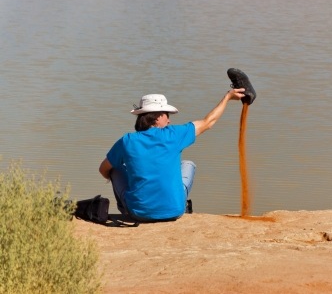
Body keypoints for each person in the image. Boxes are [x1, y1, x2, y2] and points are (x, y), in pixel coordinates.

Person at [99, 89, 245, 222]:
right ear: (157, 118)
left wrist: (130, 177)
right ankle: (173, 201)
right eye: (166, 116)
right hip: (175, 211)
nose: (169, 120)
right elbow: (208, 122)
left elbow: (103, 169)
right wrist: (227, 97)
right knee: (188, 165)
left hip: (138, 213)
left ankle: (126, 207)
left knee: (115, 168)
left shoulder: (127, 141)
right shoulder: (174, 135)